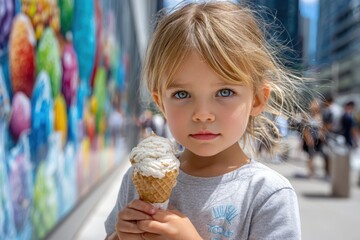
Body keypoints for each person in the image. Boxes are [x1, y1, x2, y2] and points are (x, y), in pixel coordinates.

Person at [105, 1, 308, 239]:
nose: (202, 113)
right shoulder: (137, 179)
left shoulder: (267, 195)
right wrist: (118, 236)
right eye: (182, 94)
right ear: (161, 103)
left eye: (224, 92)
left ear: (256, 99)